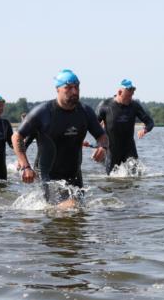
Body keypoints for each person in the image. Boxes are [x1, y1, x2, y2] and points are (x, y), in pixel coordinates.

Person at [12, 69, 108, 207]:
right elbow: (17, 137)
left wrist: (102, 147)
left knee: (78, 215)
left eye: (76, 87)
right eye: (68, 88)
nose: (74, 92)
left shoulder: (85, 112)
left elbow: (102, 136)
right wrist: (25, 166)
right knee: (71, 206)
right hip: (49, 175)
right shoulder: (43, 112)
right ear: (57, 89)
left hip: (74, 175)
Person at [96, 78, 154, 173]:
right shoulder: (105, 106)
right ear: (119, 92)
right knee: (111, 180)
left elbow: (150, 122)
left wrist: (145, 130)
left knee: (135, 177)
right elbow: (93, 126)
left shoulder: (134, 106)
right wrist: (100, 145)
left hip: (129, 149)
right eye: (128, 96)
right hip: (112, 150)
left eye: (131, 96)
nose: (130, 98)